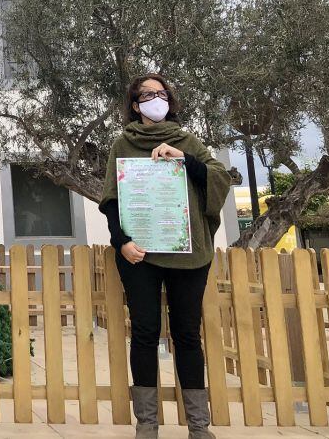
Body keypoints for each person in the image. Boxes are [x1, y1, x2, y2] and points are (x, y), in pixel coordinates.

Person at [98, 74, 233, 439]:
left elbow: (218, 178)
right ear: (135, 104)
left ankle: (199, 427)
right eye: (146, 94)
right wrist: (120, 241)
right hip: (139, 255)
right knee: (144, 333)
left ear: (169, 100)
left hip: (188, 254)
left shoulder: (188, 141)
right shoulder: (122, 144)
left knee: (187, 334)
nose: (154, 99)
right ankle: (147, 425)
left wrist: (184, 159)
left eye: (160, 93)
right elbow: (111, 199)